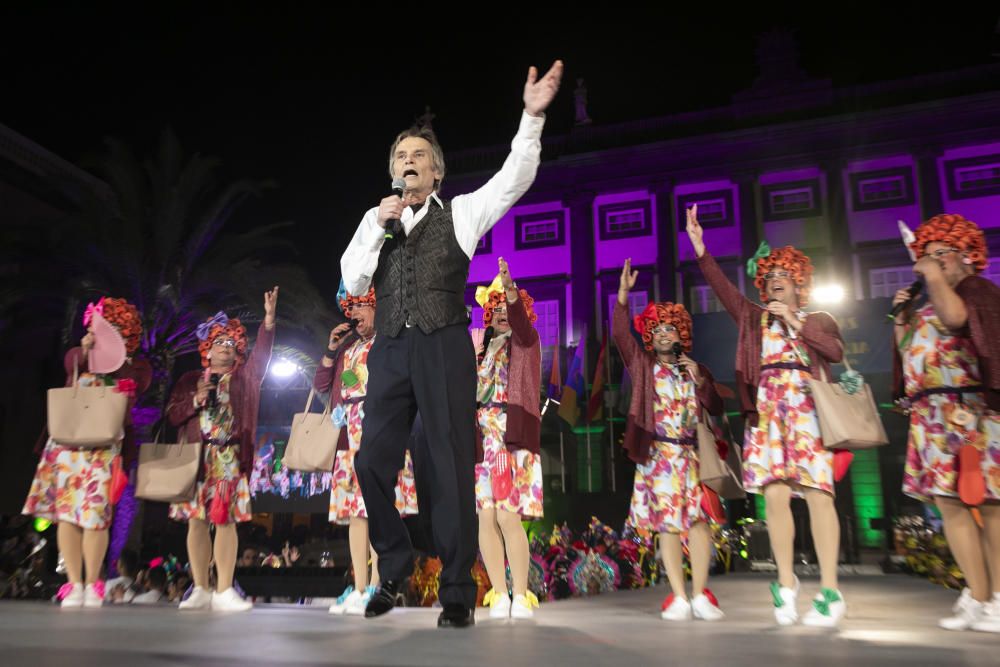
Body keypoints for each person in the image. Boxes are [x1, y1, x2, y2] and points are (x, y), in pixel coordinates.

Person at [341, 60, 562, 628]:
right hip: (389, 348)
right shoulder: (376, 219)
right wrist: (378, 227)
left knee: (449, 465)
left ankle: (458, 589)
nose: (406, 164)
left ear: (436, 172)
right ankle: (394, 562)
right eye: (399, 158)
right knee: (370, 460)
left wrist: (531, 118)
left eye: (417, 157)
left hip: (442, 345)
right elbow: (351, 282)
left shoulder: (461, 214)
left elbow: (514, 178)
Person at [686, 205, 848, 627]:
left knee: (818, 496)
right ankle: (786, 585)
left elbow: (835, 352)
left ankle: (830, 592)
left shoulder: (817, 319)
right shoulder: (754, 320)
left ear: (799, 286)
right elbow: (723, 290)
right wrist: (702, 250)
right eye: (769, 281)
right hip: (769, 417)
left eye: (783, 280)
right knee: (774, 499)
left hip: (808, 413)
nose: (774, 285)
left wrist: (795, 321)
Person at [893, 213, 1000, 632]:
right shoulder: (927, 303)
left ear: (968, 256)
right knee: (950, 506)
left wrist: (932, 275)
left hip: (975, 413)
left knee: (991, 505)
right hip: (933, 417)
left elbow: (957, 321)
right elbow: (908, 359)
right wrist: (902, 317)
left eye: (943, 254)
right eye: (927, 255)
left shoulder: (977, 289)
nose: (933, 262)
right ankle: (977, 595)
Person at [614, 258, 726, 621]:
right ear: (650, 335)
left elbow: (716, 407)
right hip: (659, 454)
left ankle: (700, 595)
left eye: (670, 329)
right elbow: (619, 334)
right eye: (657, 329)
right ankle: (677, 595)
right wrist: (623, 297)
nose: (664, 334)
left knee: (698, 524)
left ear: (681, 334)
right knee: (668, 526)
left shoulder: (696, 369)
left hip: (691, 455)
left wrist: (702, 381)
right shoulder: (644, 366)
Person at [22, 297, 151, 608]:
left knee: (96, 517)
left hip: (104, 448)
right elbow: (70, 365)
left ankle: (93, 583)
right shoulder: (78, 354)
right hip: (67, 445)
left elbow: (138, 384)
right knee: (66, 515)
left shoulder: (133, 366)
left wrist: (117, 357)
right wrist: (87, 349)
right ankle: (73, 583)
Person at [167, 287, 279, 612]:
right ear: (208, 349)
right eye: (220, 343)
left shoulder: (246, 376)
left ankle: (225, 589)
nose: (226, 349)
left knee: (227, 521)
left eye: (231, 344)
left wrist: (269, 322)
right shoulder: (191, 379)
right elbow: (172, 414)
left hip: (229, 456)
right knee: (197, 522)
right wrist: (194, 400)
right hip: (197, 458)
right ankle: (201, 588)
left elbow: (262, 354)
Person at [314, 285, 418, 615]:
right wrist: (331, 351)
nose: (356, 314)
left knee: (379, 511)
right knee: (355, 517)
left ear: (378, 308)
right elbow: (321, 386)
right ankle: (359, 587)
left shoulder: (389, 345)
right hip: (350, 437)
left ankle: (379, 585)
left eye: (363, 306)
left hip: (382, 431)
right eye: (352, 308)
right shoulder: (348, 350)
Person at [473, 258, 543, 620]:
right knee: (485, 517)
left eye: (507, 307)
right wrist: (470, 359)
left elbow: (520, 324)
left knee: (508, 517)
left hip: (510, 438)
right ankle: (499, 594)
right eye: (495, 307)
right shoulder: (481, 350)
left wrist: (509, 288)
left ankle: (521, 592)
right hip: (483, 440)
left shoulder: (526, 343)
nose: (502, 312)